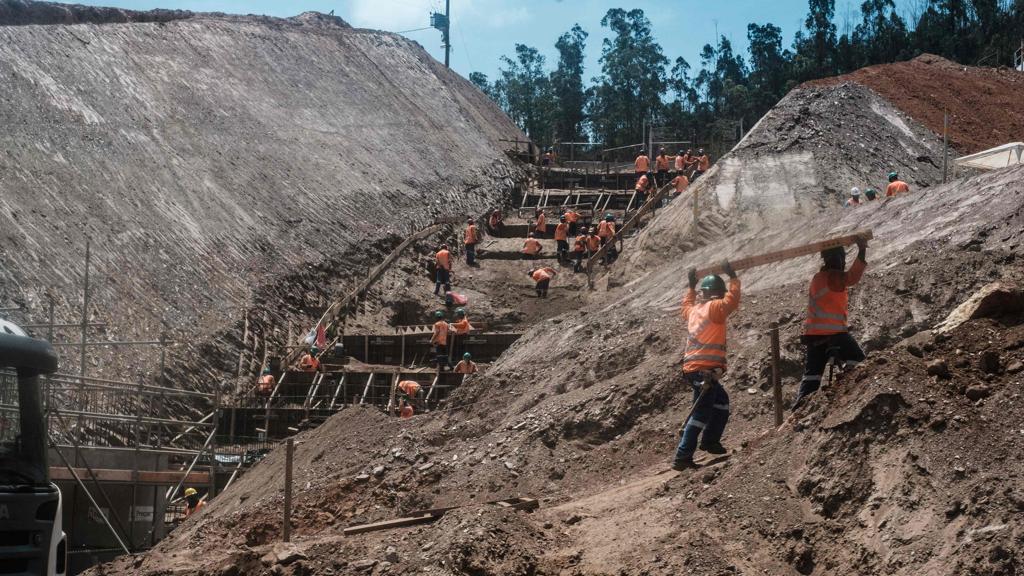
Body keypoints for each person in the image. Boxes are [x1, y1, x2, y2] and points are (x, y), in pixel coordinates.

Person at [673, 262, 741, 470]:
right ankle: (683, 456)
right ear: (717, 293)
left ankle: (710, 441)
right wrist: (733, 277)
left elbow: (685, 305)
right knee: (701, 413)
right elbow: (732, 301)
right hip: (705, 370)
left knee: (721, 402)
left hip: (695, 369)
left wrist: (691, 287)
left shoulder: (694, 311)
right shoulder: (715, 308)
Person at [793, 238, 868, 409]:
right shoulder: (834, 277)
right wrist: (862, 250)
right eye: (841, 258)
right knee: (859, 361)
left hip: (814, 338)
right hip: (835, 335)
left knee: (811, 377)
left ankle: (797, 413)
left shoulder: (818, 278)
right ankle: (848, 392)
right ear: (838, 258)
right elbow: (852, 277)